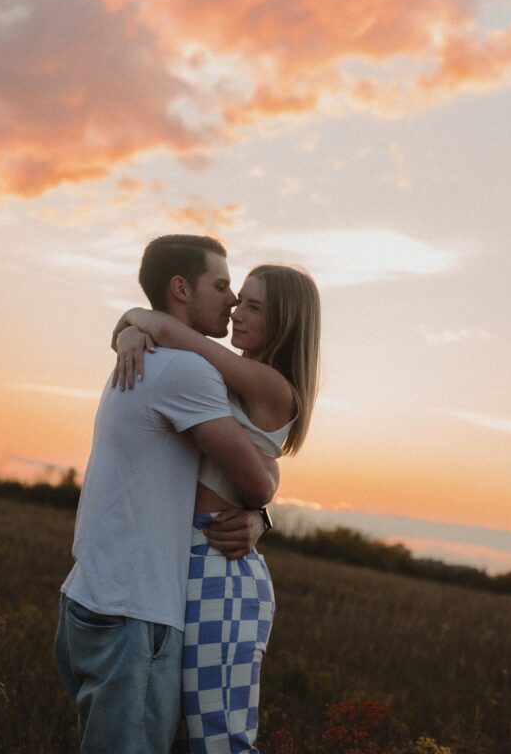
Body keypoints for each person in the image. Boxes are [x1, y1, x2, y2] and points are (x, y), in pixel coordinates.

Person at [55, 236, 278, 754]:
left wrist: (134, 325)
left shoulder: (149, 356)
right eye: (221, 286)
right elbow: (255, 482)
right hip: (135, 616)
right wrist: (261, 508)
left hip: (89, 598)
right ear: (180, 289)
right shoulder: (188, 371)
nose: (230, 300)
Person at [112, 263, 321, 754]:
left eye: (253, 306)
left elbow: (163, 326)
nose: (236, 311)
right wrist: (127, 334)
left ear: (284, 322)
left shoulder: (270, 384)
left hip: (219, 568)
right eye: (238, 298)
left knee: (219, 741)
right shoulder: (229, 374)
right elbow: (152, 326)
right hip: (187, 561)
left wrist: (134, 328)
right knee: (180, 735)